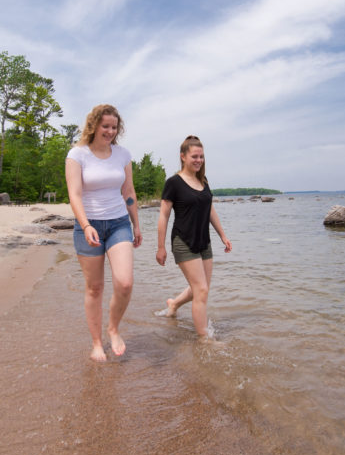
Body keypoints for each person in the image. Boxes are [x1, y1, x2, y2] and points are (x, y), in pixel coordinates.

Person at [65, 104, 142, 362]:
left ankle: (113, 328)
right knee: (95, 288)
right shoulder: (77, 154)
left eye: (114, 127)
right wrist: (86, 225)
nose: (110, 131)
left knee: (125, 282)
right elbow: (74, 194)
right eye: (105, 126)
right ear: (94, 125)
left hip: (119, 223)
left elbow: (128, 192)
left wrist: (136, 224)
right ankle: (97, 343)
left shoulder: (122, 155)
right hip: (89, 226)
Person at [155, 135, 231, 340]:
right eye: (194, 156)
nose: (199, 160)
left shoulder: (203, 181)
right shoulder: (174, 182)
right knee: (201, 290)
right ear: (183, 157)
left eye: (202, 156)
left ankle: (174, 304)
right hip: (183, 241)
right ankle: (203, 339)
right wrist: (160, 247)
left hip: (203, 242)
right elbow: (163, 215)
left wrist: (223, 235)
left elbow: (210, 210)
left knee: (201, 288)